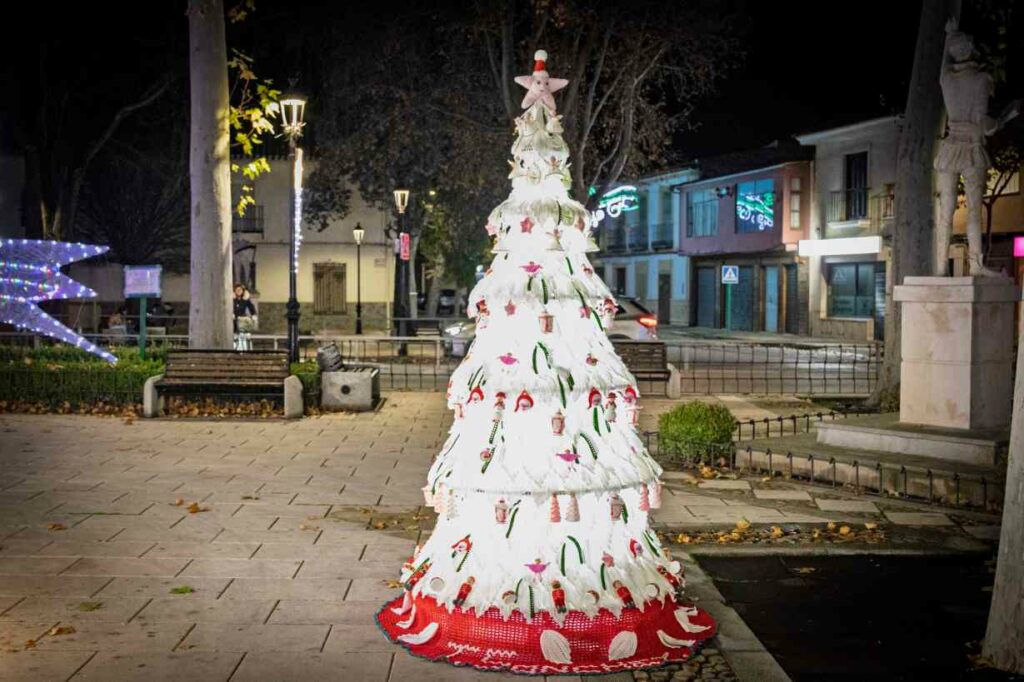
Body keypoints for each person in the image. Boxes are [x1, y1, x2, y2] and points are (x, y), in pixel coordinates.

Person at [233, 283, 258, 351]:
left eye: (240, 290)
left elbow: (251, 307)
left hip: (242, 320)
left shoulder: (245, 300)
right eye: (237, 290)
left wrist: (253, 315)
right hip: (233, 321)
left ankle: (243, 349)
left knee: (243, 335)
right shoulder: (232, 300)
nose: (239, 291)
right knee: (234, 336)